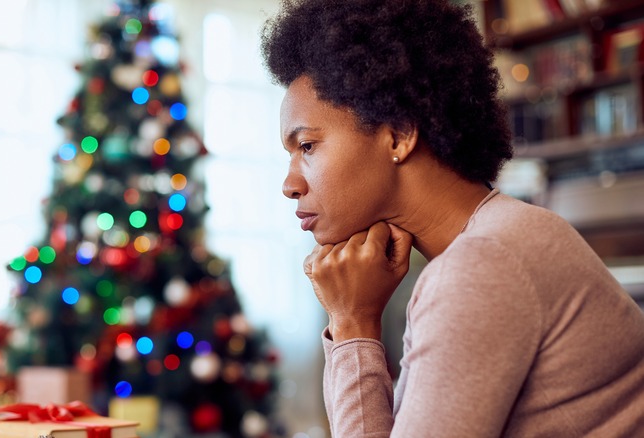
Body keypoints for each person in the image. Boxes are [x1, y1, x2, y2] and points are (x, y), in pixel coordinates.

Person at [260, 0, 644, 436]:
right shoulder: (504, 237)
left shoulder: (482, 266)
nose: (289, 184)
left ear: (399, 135)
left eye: (307, 146)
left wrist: (352, 325)